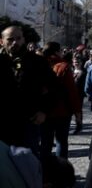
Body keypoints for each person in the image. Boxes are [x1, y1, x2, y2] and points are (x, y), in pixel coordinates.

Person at [0, 26, 57, 157]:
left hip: (28, 122)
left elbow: (54, 87)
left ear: (23, 40)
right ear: (2, 41)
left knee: (28, 165)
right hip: (3, 122)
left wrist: (44, 111)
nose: (15, 42)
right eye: (10, 39)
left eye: (19, 38)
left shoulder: (37, 61)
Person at [40, 42, 82, 159]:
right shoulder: (63, 66)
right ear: (57, 51)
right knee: (61, 141)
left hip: (44, 111)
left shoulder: (39, 65)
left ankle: (44, 170)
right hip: (62, 110)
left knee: (45, 142)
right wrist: (77, 112)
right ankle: (61, 170)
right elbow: (72, 92)